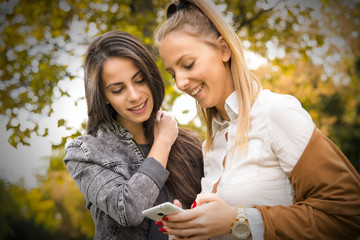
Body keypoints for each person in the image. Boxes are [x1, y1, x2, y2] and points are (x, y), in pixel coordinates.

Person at [154, 0, 360, 239]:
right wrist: (191, 229)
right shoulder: (211, 144)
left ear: (224, 49)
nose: (180, 83)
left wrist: (239, 220)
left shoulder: (276, 112)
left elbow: (349, 213)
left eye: (188, 64)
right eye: (172, 73)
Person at [63, 30, 204, 240]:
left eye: (139, 81)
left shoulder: (191, 144)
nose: (134, 96)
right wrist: (163, 142)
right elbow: (128, 210)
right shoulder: (85, 152)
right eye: (118, 90)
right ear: (104, 97)